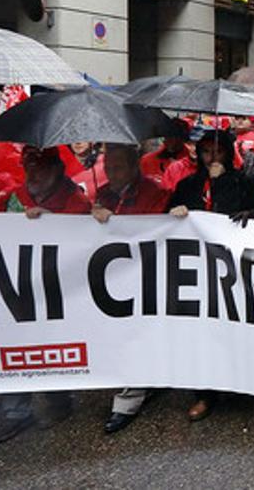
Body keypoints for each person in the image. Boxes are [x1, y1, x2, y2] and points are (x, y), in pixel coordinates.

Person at [0, 146, 90, 446]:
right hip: (15, 288)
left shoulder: (75, 200)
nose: (33, 175)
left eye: (40, 168)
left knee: (52, 341)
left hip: (55, 288)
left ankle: (58, 398)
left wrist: (52, 222)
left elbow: (83, 237)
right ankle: (15, 411)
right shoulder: (17, 196)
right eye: (29, 168)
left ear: (56, 170)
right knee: (11, 342)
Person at [167, 130, 254, 422]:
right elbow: (164, 218)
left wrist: (222, 185)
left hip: (232, 270)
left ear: (228, 154)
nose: (212, 157)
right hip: (196, 271)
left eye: (218, 151)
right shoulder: (187, 185)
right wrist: (175, 210)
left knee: (235, 326)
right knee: (200, 332)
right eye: (206, 151)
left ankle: (241, 385)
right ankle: (204, 394)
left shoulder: (242, 182)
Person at [92, 144, 172, 435]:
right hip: (114, 276)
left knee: (137, 334)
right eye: (108, 167)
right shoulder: (103, 193)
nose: (111, 173)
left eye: (118, 167)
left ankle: (128, 400)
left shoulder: (154, 192)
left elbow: (155, 229)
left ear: (133, 167)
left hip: (146, 273)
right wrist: (95, 212)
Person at [140, 118, 192, 184]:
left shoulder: (193, 162)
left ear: (183, 139)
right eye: (169, 136)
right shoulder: (147, 160)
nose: (173, 141)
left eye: (177, 136)